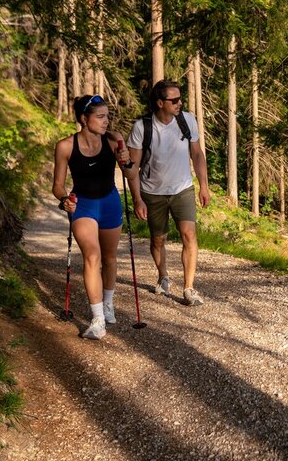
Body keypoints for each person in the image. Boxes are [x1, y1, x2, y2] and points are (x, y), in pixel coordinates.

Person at [52, 95, 131, 339]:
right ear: (84, 119)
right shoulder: (65, 146)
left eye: (107, 116)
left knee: (109, 258)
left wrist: (127, 161)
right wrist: (64, 199)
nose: (106, 121)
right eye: (100, 116)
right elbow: (57, 185)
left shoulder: (114, 140)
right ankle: (97, 320)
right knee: (92, 256)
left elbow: (130, 173)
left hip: (109, 202)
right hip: (83, 205)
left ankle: (108, 303)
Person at [126, 79, 211, 306]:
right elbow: (132, 168)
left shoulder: (187, 120)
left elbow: (197, 154)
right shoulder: (142, 127)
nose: (179, 103)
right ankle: (163, 276)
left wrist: (204, 186)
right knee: (158, 239)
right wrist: (137, 199)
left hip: (183, 188)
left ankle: (188, 288)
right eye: (174, 100)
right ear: (160, 103)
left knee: (189, 235)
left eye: (180, 98)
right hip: (152, 192)